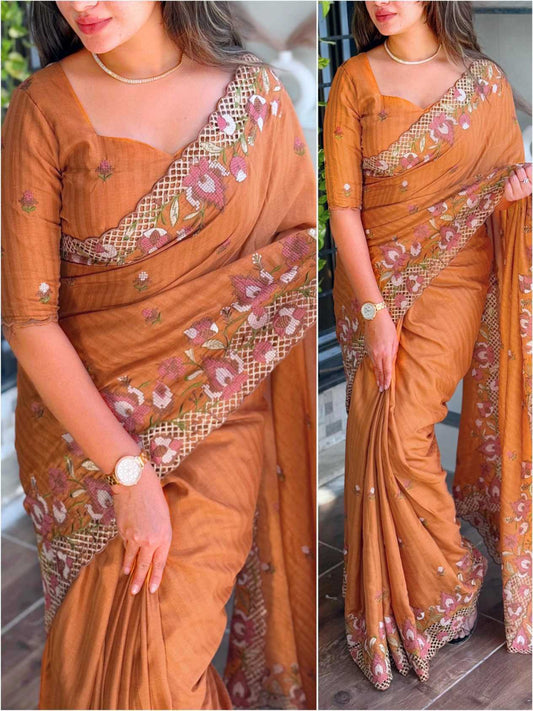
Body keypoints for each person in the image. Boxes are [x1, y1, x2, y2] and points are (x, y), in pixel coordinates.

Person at [1, 1, 317, 708]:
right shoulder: (43, 108)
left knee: (160, 673)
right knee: (92, 673)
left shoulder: (254, 100)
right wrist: (127, 471)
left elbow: (289, 267)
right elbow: (27, 318)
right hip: (82, 438)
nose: (80, 4)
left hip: (218, 421)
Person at [323, 0, 531, 691]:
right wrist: (375, 312)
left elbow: (500, 197)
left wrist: (518, 194)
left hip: (456, 279)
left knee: (403, 427)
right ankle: (420, 588)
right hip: (372, 286)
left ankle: (452, 579)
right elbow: (344, 209)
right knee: (373, 424)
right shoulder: (355, 79)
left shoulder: (484, 84)